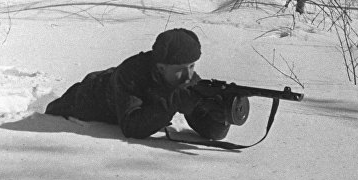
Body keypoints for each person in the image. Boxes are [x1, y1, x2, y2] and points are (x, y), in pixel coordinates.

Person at [45, 28, 229, 140]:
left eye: (192, 66)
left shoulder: (187, 79)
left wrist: (220, 117)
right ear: (161, 67)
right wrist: (172, 104)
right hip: (91, 94)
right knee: (53, 111)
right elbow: (131, 127)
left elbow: (211, 132)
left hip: (113, 89)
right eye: (181, 68)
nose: (188, 75)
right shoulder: (131, 74)